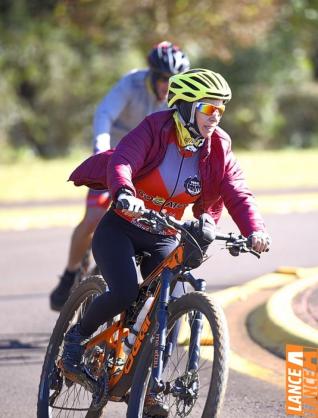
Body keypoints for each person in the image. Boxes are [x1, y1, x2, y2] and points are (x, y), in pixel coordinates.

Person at [61, 68, 271, 415]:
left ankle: (149, 385)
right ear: (187, 107)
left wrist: (255, 230)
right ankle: (74, 340)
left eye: (220, 110)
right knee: (126, 291)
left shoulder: (217, 145)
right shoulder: (155, 128)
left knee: (173, 297)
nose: (215, 117)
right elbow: (123, 161)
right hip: (122, 227)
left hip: (163, 233)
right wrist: (125, 194)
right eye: (208, 109)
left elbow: (237, 190)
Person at [50, 41, 190, 311]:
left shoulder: (178, 99)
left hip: (146, 168)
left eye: (173, 80)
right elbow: (104, 114)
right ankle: (69, 274)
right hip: (115, 159)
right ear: (152, 74)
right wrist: (101, 146)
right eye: (162, 78)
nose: (167, 86)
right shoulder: (131, 85)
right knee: (93, 218)